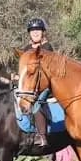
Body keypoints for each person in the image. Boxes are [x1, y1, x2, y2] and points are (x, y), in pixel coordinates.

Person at [24, 18, 54, 147]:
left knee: (36, 103)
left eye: (38, 30)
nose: (35, 33)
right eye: (33, 30)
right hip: (29, 85)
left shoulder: (47, 47)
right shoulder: (26, 48)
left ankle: (42, 137)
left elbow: (49, 68)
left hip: (44, 86)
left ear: (43, 32)